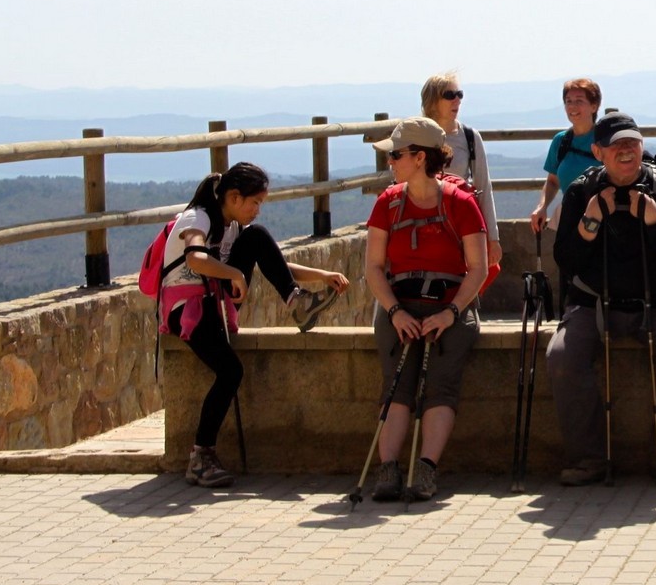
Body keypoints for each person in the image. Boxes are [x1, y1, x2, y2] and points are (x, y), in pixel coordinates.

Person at [158, 163, 349, 488]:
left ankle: (297, 302)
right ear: (234, 197)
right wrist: (234, 273)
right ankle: (200, 457)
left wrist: (321, 275)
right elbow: (195, 258)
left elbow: (274, 262)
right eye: (255, 202)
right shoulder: (198, 218)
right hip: (187, 309)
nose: (257, 209)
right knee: (230, 371)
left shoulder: (233, 227)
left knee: (257, 237)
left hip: (215, 302)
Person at [548, 112, 656, 485]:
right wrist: (590, 222)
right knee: (562, 358)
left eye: (632, 143)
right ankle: (587, 459)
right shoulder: (581, 192)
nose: (626, 151)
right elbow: (566, 261)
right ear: (598, 152)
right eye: (616, 145)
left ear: (642, 146)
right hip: (592, 301)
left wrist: (655, 223)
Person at [363, 117, 491, 502]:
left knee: (440, 386)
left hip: (450, 305)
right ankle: (388, 469)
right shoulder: (387, 203)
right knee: (397, 386)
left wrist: (451, 313)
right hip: (398, 304)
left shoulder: (461, 203)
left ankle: (425, 468)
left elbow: (479, 268)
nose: (390, 162)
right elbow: (373, 268)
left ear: (420, 158)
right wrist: (395, 312)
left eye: (396, 155)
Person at [421, 71, 502, 270]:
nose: (457, 100)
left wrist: (493, 238)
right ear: (432, 101)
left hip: (460, 222)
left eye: (460, 94)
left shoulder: (470, 137)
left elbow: (484, 186)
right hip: (423, 223)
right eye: (449, 95)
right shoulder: (418, 136)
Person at [531, 78, 603, 235]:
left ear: (594, 106)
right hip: (570, 219)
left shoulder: (605, 140)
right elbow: (552, 181)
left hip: (603, 222)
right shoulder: (561, 141)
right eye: (568, 101)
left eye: (579, 101)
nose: (572, 106)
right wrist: (542, 207)